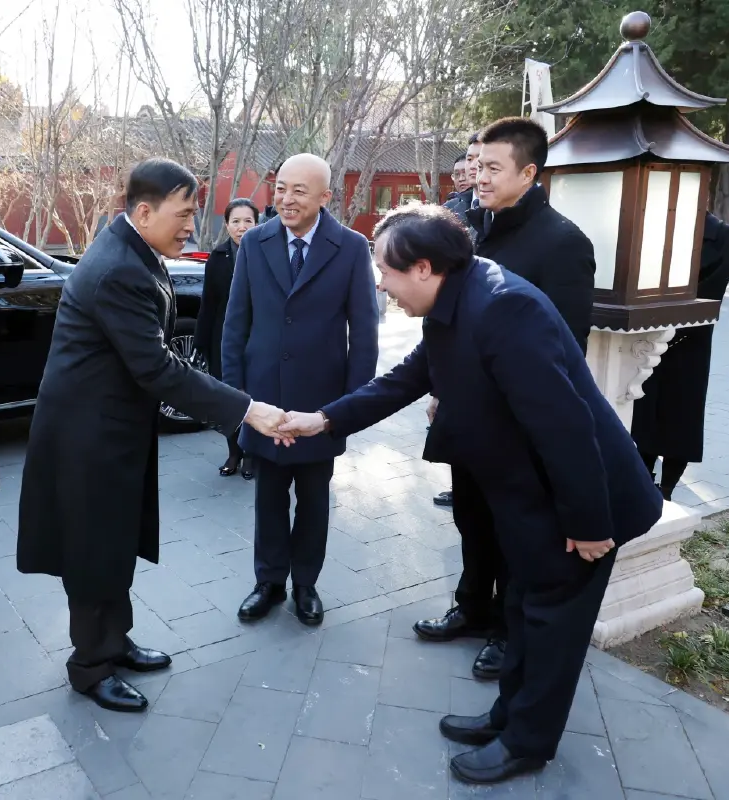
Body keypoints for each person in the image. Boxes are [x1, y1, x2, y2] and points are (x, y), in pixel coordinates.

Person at [279, 203, 662, 784]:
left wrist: (587, 522)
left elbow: (565, 426)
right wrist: (323, 421)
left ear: (426, 267)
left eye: (386, 271)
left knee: (551, 625)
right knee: (520, 609)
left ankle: (527, 743)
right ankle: (509, 716)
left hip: (582, 503)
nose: (382, 285)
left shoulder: (503, 308)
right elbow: (406, 379)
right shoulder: (453, 300)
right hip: (529, 497)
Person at [15, 158, 289, 714]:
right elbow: (160, 370)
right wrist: (246, 410)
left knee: (114, 543)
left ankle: (114, 641)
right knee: (93, 552)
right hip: (87, 441)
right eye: (184, 214)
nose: (192, 225)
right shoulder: (118, 268)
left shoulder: (135, 251)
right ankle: (90, 666)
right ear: (144, 211)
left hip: (112, 430)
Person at [414, 118, 597, 683]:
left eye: (493, 168)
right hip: (468, 416)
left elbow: (564, 351)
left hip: (517, 427)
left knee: (513, 530)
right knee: (470, 517)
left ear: (529, 172)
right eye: (477, 164)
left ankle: (504, 631)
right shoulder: (471, 229)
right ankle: (471, 607)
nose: (479, 177)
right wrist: (442, 388)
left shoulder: (563, 244)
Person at [222, 153, 380, 627]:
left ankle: (305, 584)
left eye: (299, 191)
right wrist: (240, 403)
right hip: (263, 400)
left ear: (325, 198)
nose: (286, 199)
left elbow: (365, 334)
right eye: (281, 187)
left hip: (321, 406)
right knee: (268, 498)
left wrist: (346, 410)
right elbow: (236, 325)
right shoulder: (255, 242)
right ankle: (267, 582)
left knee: (314, 500)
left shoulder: (350, 247)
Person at [632, 211, 729, 499]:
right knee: (644, 411)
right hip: (647, 336)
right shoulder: (656, 226)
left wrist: (666, 330)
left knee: (682, 415)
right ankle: (644, 482)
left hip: (690, 339)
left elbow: (710, 295)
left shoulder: (721, 234)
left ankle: (667, 489)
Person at [432, 131, 484, 510]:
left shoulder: (555, 240)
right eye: (468, 162)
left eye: (483, 164)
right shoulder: (455, 209)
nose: (471, 171)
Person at [195, 198, 261, 479]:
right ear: (227, 225)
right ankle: (234, 451)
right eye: (236, 221)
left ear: (257, 224)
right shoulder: (218, 257)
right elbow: (208, 303)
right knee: (228, 398)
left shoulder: (265, 254)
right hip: (223, 339)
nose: (242, 227)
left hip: (258, 340)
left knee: (256, 397)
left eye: (248, 221)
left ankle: (252, 455)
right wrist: (201, 342)